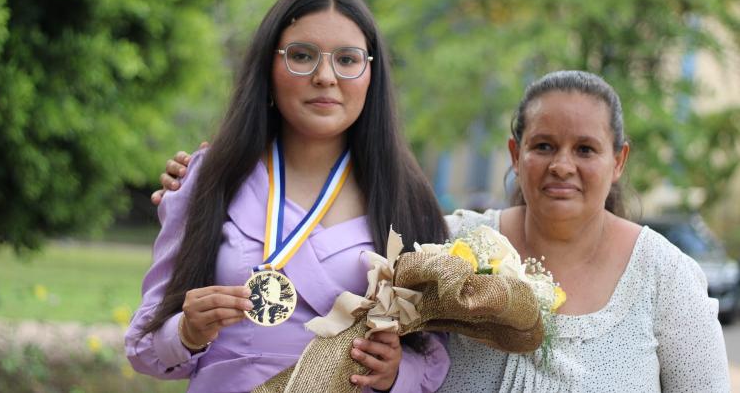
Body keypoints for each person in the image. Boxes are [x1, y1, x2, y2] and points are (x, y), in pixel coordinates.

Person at [157, 70, 730, 392]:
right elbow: (332, 240)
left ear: (620, 160)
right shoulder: (447, 243)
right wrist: (213, 182)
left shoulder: (666, 277)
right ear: (514, 152)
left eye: (586, 149)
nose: (562, 166)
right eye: (543, 146)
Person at [126, 0, 451, 393]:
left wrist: (395, 371)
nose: (325, 76)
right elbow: (143, 345)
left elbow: (434, 355)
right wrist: (187, 331)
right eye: (302, 56)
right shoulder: (209, 178)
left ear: (372, 74)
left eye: (348, 60)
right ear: (269, 67)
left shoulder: (407, 198)